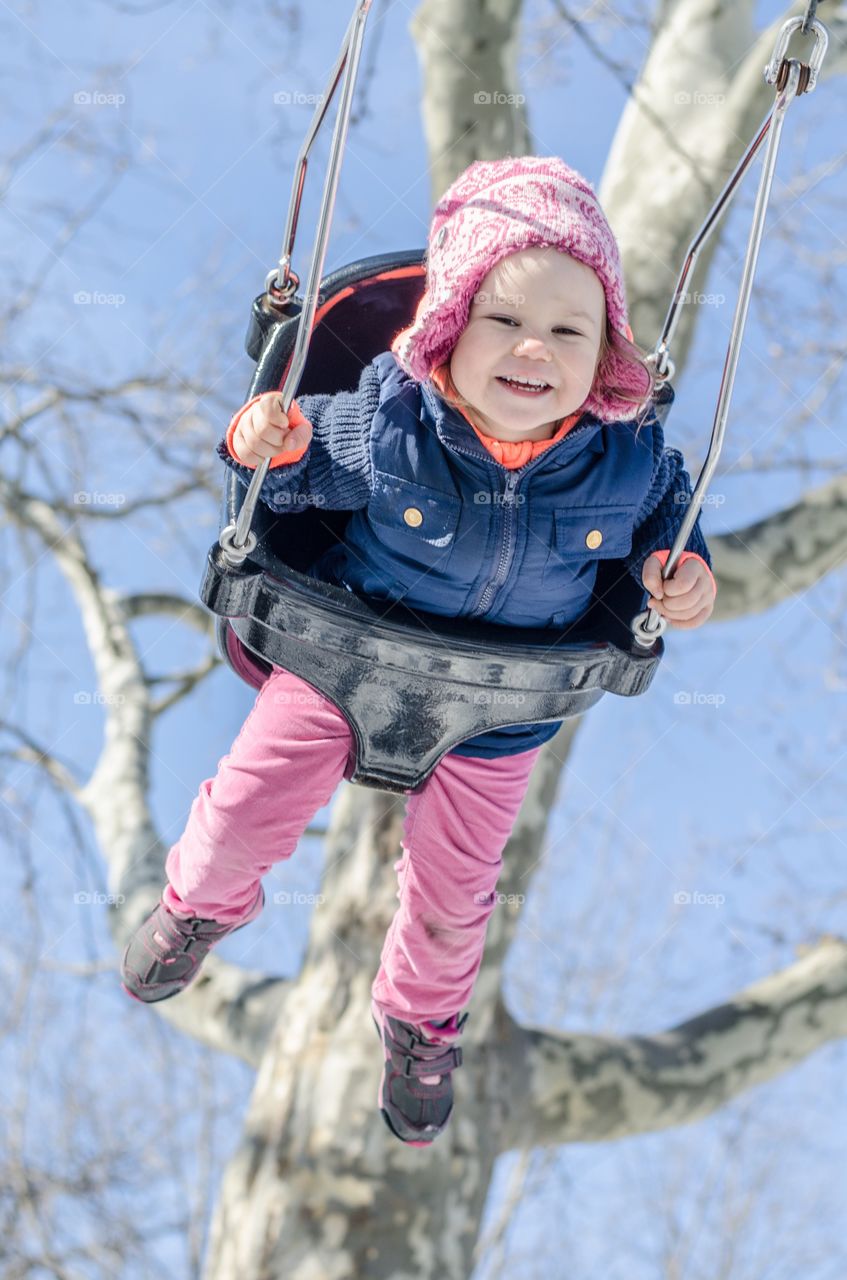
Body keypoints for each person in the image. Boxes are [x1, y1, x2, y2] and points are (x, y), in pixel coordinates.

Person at [121, 156, 717, 1146]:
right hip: (343, 651)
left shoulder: (631, 459)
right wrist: (264, 436)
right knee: (244, 804)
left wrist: (681, 572)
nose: (535, 348)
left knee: (456, 891)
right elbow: (295, 470)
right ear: (447, 330)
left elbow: (670, 528)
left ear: (604, 352)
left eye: (569, 330)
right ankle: (196, 906)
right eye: (505, 321)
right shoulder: (393, 423)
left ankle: (420, 1024)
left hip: (501, 702)